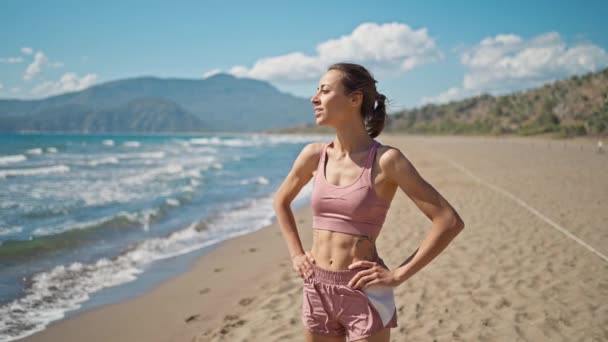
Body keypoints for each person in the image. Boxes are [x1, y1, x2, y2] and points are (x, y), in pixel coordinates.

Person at [272, 62, 465, 342]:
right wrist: (296, 255)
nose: (314, 98)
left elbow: (449, 221)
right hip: (316, 287)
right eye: (317, 91)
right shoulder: (313, 155)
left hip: (364, 291)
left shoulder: (387, 161)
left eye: (324, 91)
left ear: (355, 99)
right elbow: (281, 201)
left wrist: (398, 274)